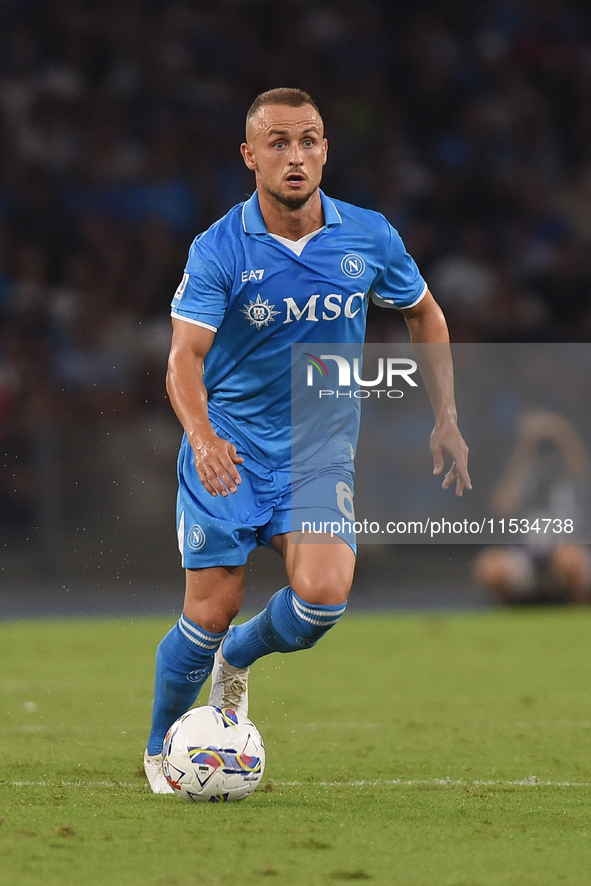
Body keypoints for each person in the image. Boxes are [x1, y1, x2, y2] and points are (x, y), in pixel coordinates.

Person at [144, 88, 471, 792]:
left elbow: (425, 314)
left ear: (325, 148)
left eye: (310, 140)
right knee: (208, 610)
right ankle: (159, 748)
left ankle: (238, 659)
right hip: (228, 445)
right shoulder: (218, 248)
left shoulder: (369, 235)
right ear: (250, 155)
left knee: (322, 598)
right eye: (279, 142)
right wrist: (200, 437)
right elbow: (182, 359)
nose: (296, 155)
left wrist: (445, 415)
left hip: (317, 454)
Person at [474, 410, 591, 605]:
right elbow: (501, 507)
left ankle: (576, 614)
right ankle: (513, 614)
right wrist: (526, 445)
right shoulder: (523, 469)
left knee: (567, 558)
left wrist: (561, 432)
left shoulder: (571, 472)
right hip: (527, 555)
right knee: (489, 566)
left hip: (569, 551)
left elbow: (582, 471)